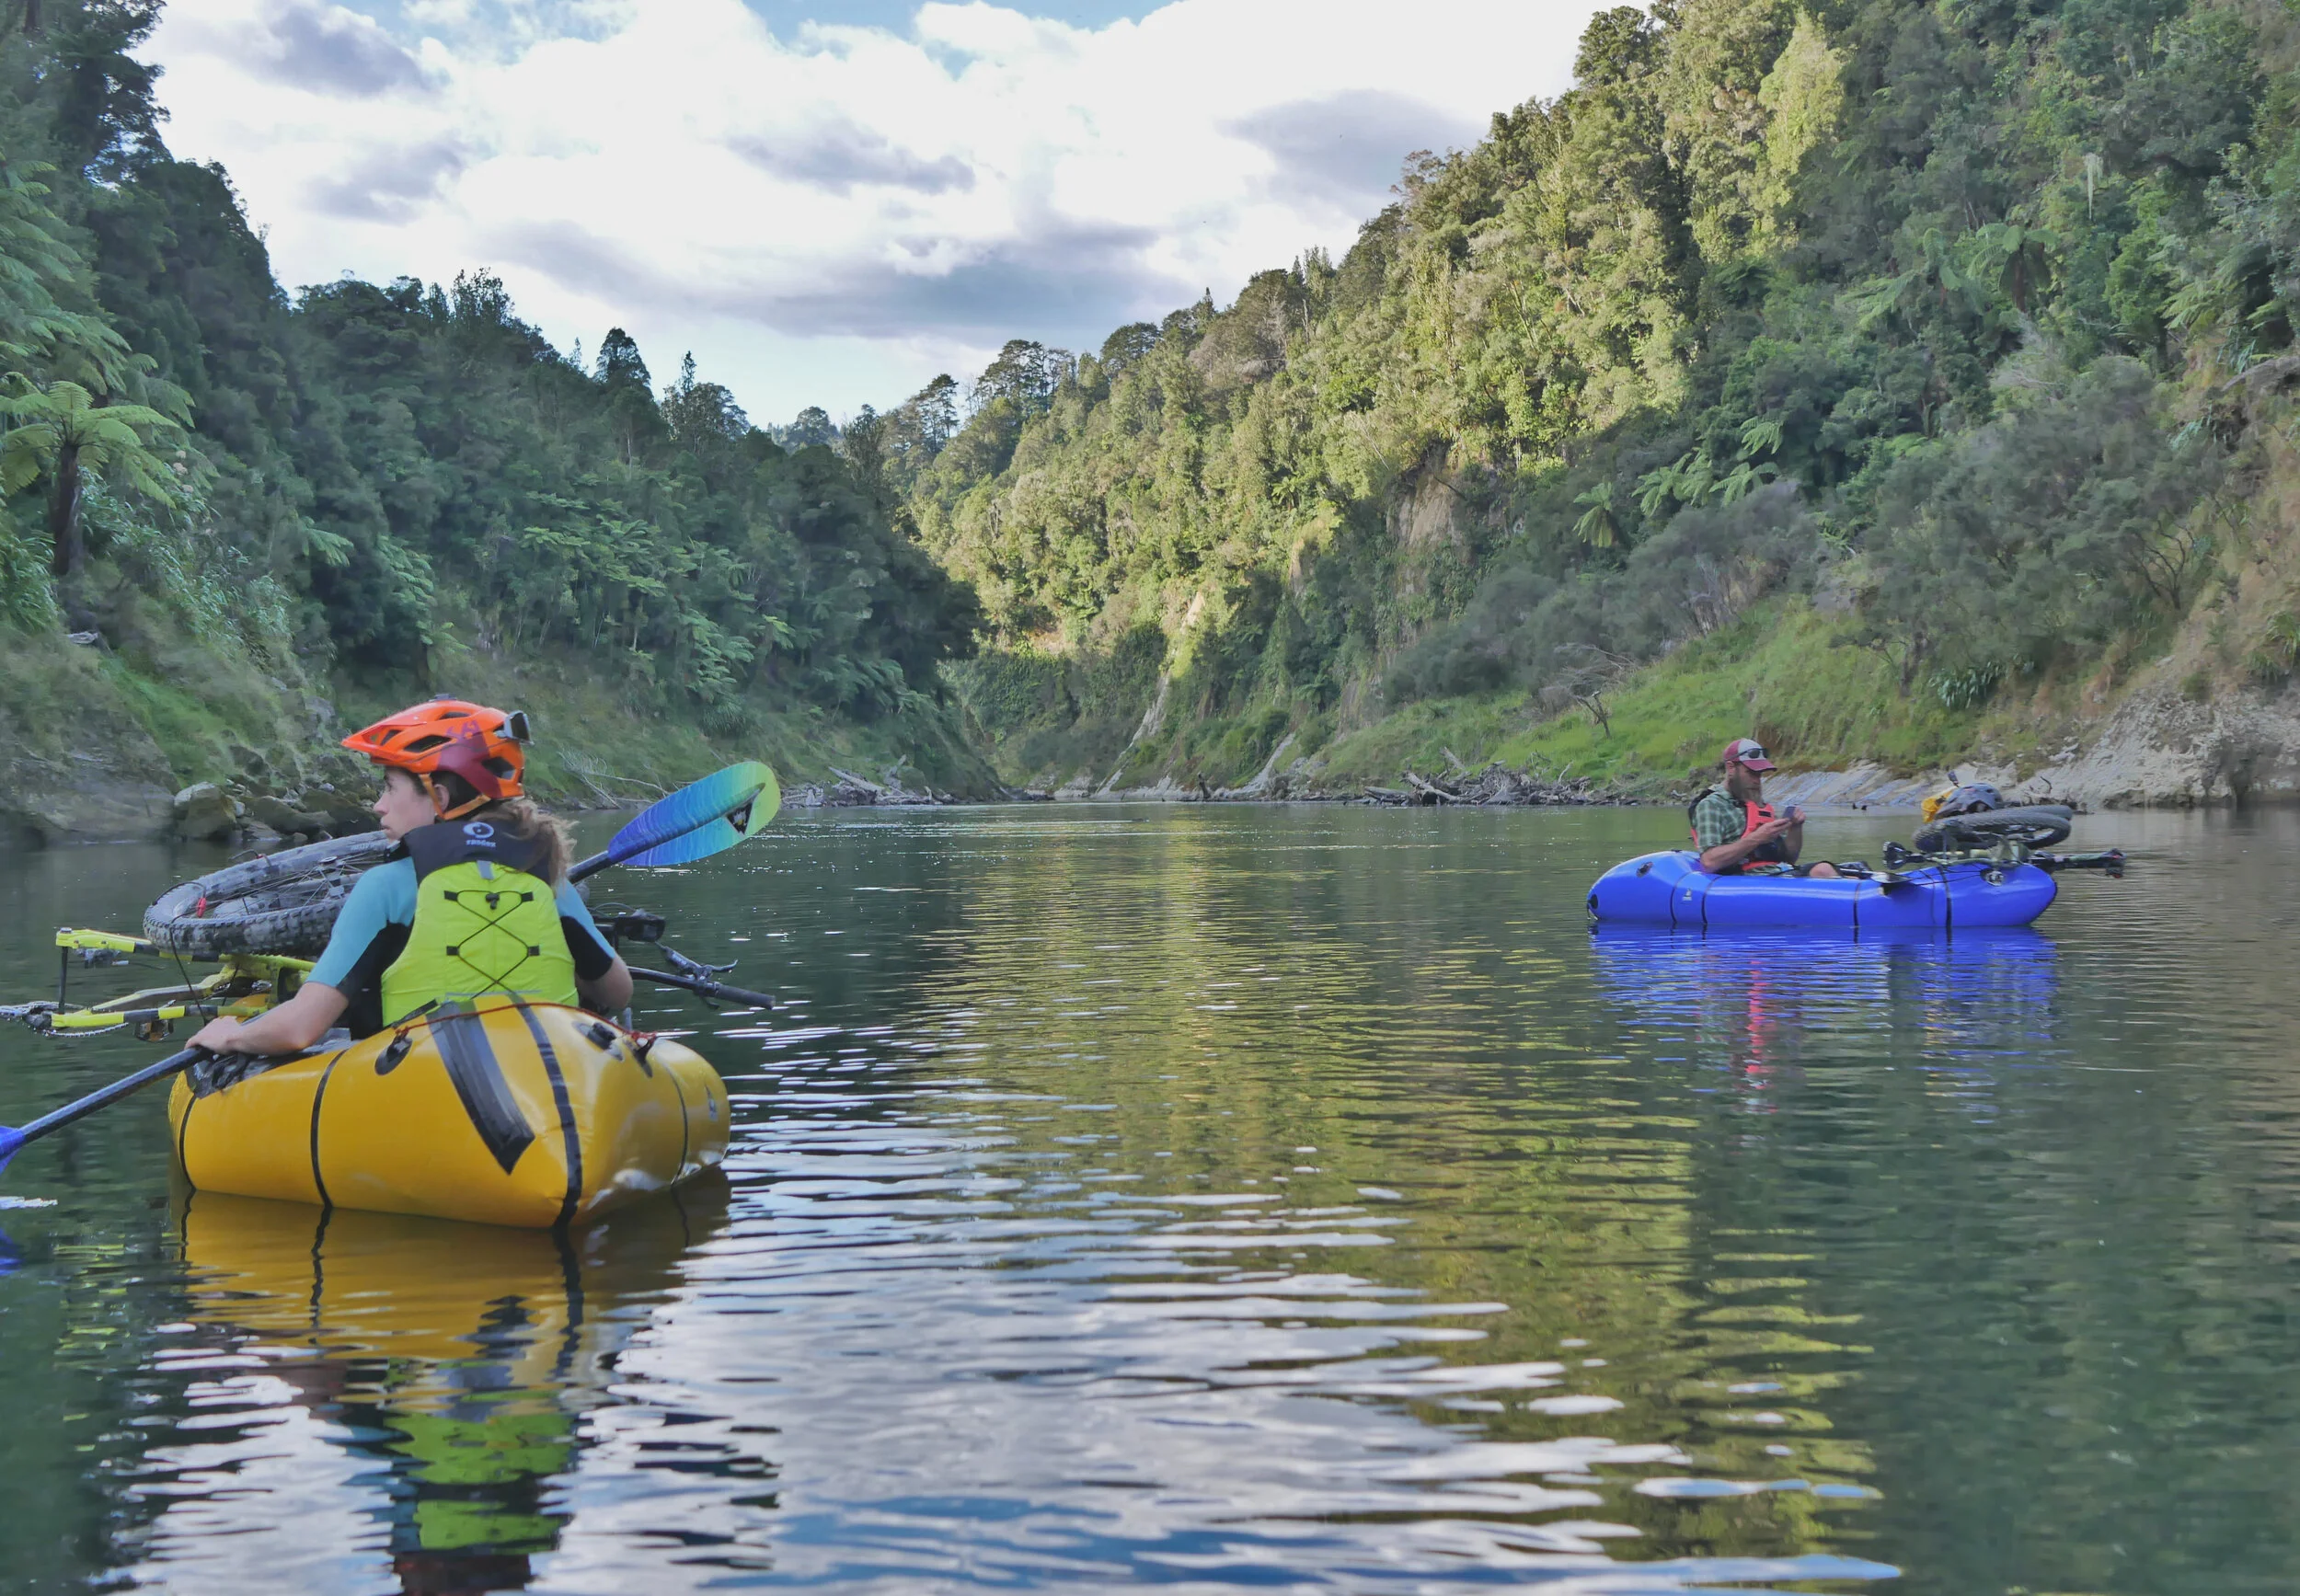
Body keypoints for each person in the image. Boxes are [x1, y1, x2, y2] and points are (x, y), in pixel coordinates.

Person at [189, 700, 633, 1056]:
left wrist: (229, 1034)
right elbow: (617, 990)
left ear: (438, 797)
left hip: (424, 1084)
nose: (379, 806)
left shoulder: (385, 887)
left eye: (390, 787)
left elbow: (301, 1028)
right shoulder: (549, 877)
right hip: (546, 1068)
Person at [1689, 737, 1840, 878]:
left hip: (1776, 873)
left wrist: (1795, 829)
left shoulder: (1758, 803)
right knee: (1823, 871)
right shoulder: (1711, 806)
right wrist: (1757, 838)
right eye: (1751, 773)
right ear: (1731, 768)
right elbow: (1709, 862)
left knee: (1830, 870)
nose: (1757, 780)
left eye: (1760, 774)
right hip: (1743, 881)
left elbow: (1789, 858)